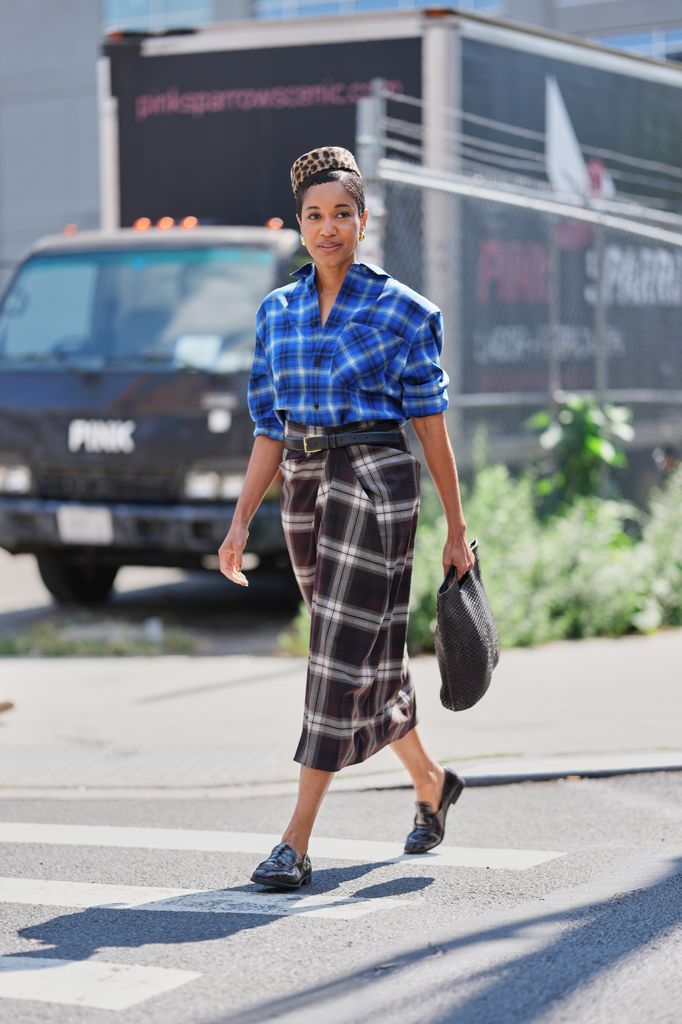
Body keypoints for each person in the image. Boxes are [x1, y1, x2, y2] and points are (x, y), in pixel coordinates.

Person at [219, 145, 474, 890]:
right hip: (303, 484)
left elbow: (431, 428)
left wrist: (457, 530)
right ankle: (431, 783)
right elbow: (269, 425)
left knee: (333, 655)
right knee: (358, 654)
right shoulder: (277, 313)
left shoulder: (404, 312)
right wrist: (240, 521)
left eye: (342, 214)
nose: (328, 227)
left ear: (363, 221)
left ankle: (294, 842)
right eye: (314, 215)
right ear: (299, 225)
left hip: (374, 482)